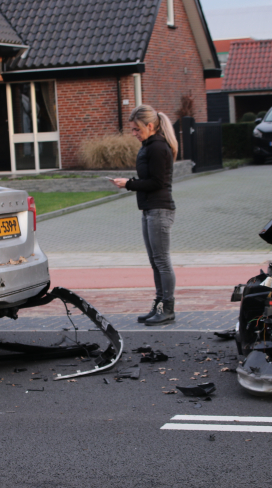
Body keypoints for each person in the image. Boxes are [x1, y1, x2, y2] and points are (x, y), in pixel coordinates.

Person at [111, 105, 179, 326]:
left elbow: (158, 182)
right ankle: (159, 306)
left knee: (162, 261)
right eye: (132, 129)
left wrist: (129, 184)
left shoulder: (158, 147)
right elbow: (150, 178)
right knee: (155, 261)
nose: (134, 133)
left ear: (150, 126)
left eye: (136, 129)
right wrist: (132, 183)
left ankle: (167, 308)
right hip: (149, 209)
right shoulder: (148, 145)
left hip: (159, 210)